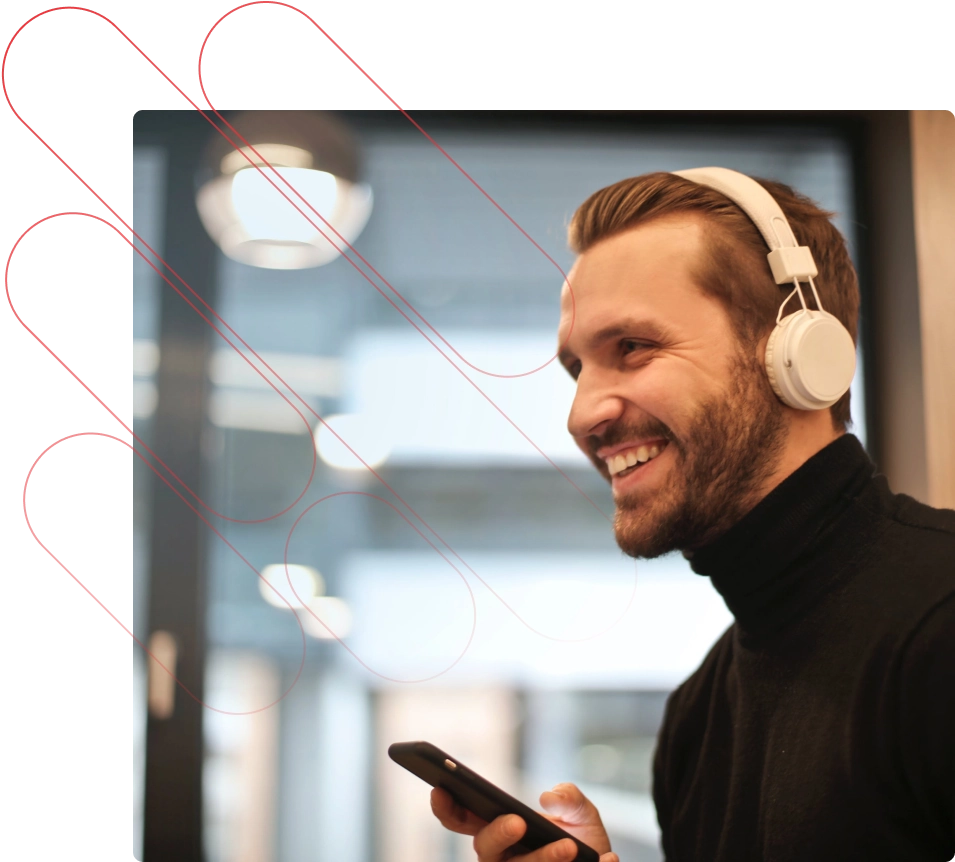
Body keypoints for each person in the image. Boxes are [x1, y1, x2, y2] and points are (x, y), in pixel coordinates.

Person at [430, 169, 955, 861]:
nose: (582, 414)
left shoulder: (940, 624)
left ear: (799, 354)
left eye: (633, 348)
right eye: (575, 369)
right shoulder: (697, 718)